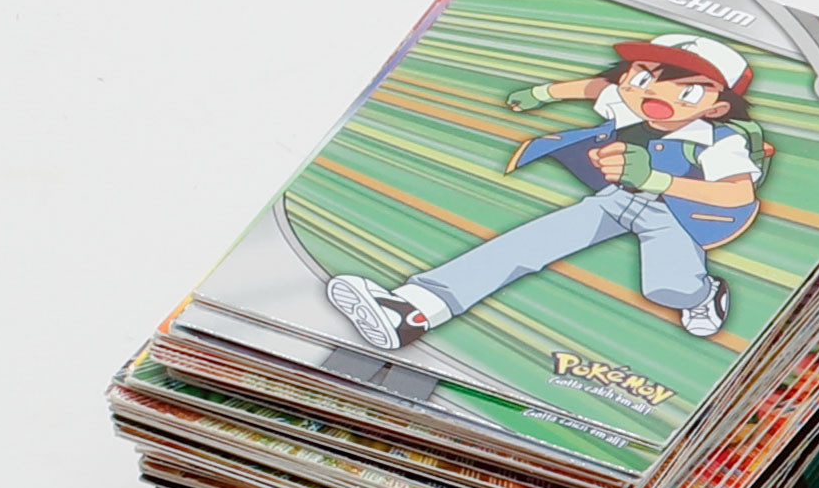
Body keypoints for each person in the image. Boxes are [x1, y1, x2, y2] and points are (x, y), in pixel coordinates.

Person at [323, 28, 769, 357]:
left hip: (681, 214)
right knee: (529, 242)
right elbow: (597, 88)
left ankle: (703, 295)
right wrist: (543, 93)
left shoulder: (720, 141)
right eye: (642, 78)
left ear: (717, 107)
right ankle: (414, 311)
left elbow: (736, 196)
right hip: (618, 199)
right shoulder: (624, 98)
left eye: (688, 91)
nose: (652, 94)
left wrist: (657, 180)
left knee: (668, 289)